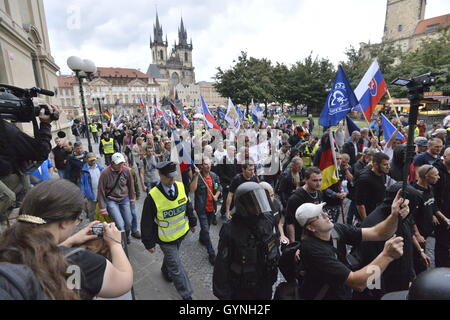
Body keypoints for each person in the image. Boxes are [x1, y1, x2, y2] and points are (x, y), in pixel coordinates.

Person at [0, 179, 133, 300]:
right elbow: (123, 281)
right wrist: (115, 244)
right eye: (76, 220)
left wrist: (70, 241)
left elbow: (39, 253)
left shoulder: (8, 247)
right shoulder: (79, 261)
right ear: (64, 222)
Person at [296, 188, 409, 300]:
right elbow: (358, 284)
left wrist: (394, 215)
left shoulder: (336, 229)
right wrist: (387, 256)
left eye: (323, 211)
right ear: (310, 227)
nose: (326, 215)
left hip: (342, 293)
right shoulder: (312, 250)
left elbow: (379, 233)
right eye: (318, 216)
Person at [213, 182, 280, 300]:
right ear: (242, 205)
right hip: (242, 288)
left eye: (260, 201)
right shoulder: (230, 229)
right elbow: (222, 262)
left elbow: (273, 243)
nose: (258, 207)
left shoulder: (267, 218)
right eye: (253, 204)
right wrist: (223, 294)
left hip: (264, 283)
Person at [140, 161, 197, 300]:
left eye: (174, 176)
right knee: (176, 268)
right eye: (169, 177)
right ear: (160, 175)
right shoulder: (152, 196)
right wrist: (149, 243)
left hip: (181, 233)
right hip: (165, 239)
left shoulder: (180, 186)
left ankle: (165, 270)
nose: (172, 179)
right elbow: (146, 221)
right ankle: (187, 295)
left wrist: (193, 221)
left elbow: (187, 204)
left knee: (172, 259)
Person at [357, 183, 422, 299]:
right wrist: (379, 295)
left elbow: (407, 247)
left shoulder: (403, 215)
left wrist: (411, 276)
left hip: (401, 282)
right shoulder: (372, 224)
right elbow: (371, 266)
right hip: (385, 289)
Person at [97, 153, 136, 244]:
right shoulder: (105, 173)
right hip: (111, 200)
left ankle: (126, 236)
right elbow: (101, 190)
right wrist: (103, 207)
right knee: (120, 224)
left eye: (122, 163)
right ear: (112, 163)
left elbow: (131, 185)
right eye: (118, 163)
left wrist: (132, 198)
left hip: (124, 198)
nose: (120, 165)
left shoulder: (126, 171)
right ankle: (122, 241)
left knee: (128, 222)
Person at [411, 164, 443, 275]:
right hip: (417, 234)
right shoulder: (415, 193)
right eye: (436, 175)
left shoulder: (430, 188)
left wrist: (435, 215)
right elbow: (411, 217)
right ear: (426, 176)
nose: (438, 177)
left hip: (426, 231)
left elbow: (432, 205)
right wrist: (417, 234)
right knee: (418, 261)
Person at [190, 159, 221, 265]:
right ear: (202, 166)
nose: (208, 166)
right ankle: (211, 253)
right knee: (206, 229)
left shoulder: (214, 176)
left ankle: (202, 238)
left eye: (209, 164)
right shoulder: (197, 176)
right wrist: (196, 176)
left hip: (211, 208)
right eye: (205, 164)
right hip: (201, 208)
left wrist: (216, 195)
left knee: (206, 227)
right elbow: (192, 189)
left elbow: (218, 187)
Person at [285, 166, 323, 242]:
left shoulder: (319, 193)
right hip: (300, 237)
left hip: (314, 236)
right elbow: (290, 223)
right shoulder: (295, 198)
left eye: (320, 180)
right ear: (306, 180)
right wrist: (293, 244)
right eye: (315, 180)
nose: (318, 183)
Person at [355, 152, 390, 222]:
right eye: (385, 164)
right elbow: (360, 205)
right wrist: (366, 222)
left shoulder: (382, 174)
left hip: (377, 215)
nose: (388, 167)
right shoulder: (364, 179)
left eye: (388, 164)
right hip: (367, 217)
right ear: (375, 165)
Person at [433, 147, 450, 267]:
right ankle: (441, 266)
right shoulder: (436, 170)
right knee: (442, 242)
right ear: (445, 156)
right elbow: (431, 193)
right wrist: (433, 212)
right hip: (441, 211)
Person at [80, 153, 104, 222]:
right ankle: (93, 225)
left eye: (94, 160)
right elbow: (82, 183)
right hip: (91, 195)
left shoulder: (100, 168)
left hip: (101, 194)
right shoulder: (84, 171)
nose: (93, 162)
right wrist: (84, 195)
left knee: (102, 210)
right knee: (92, 212)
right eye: (91, 160)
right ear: (87, 160)